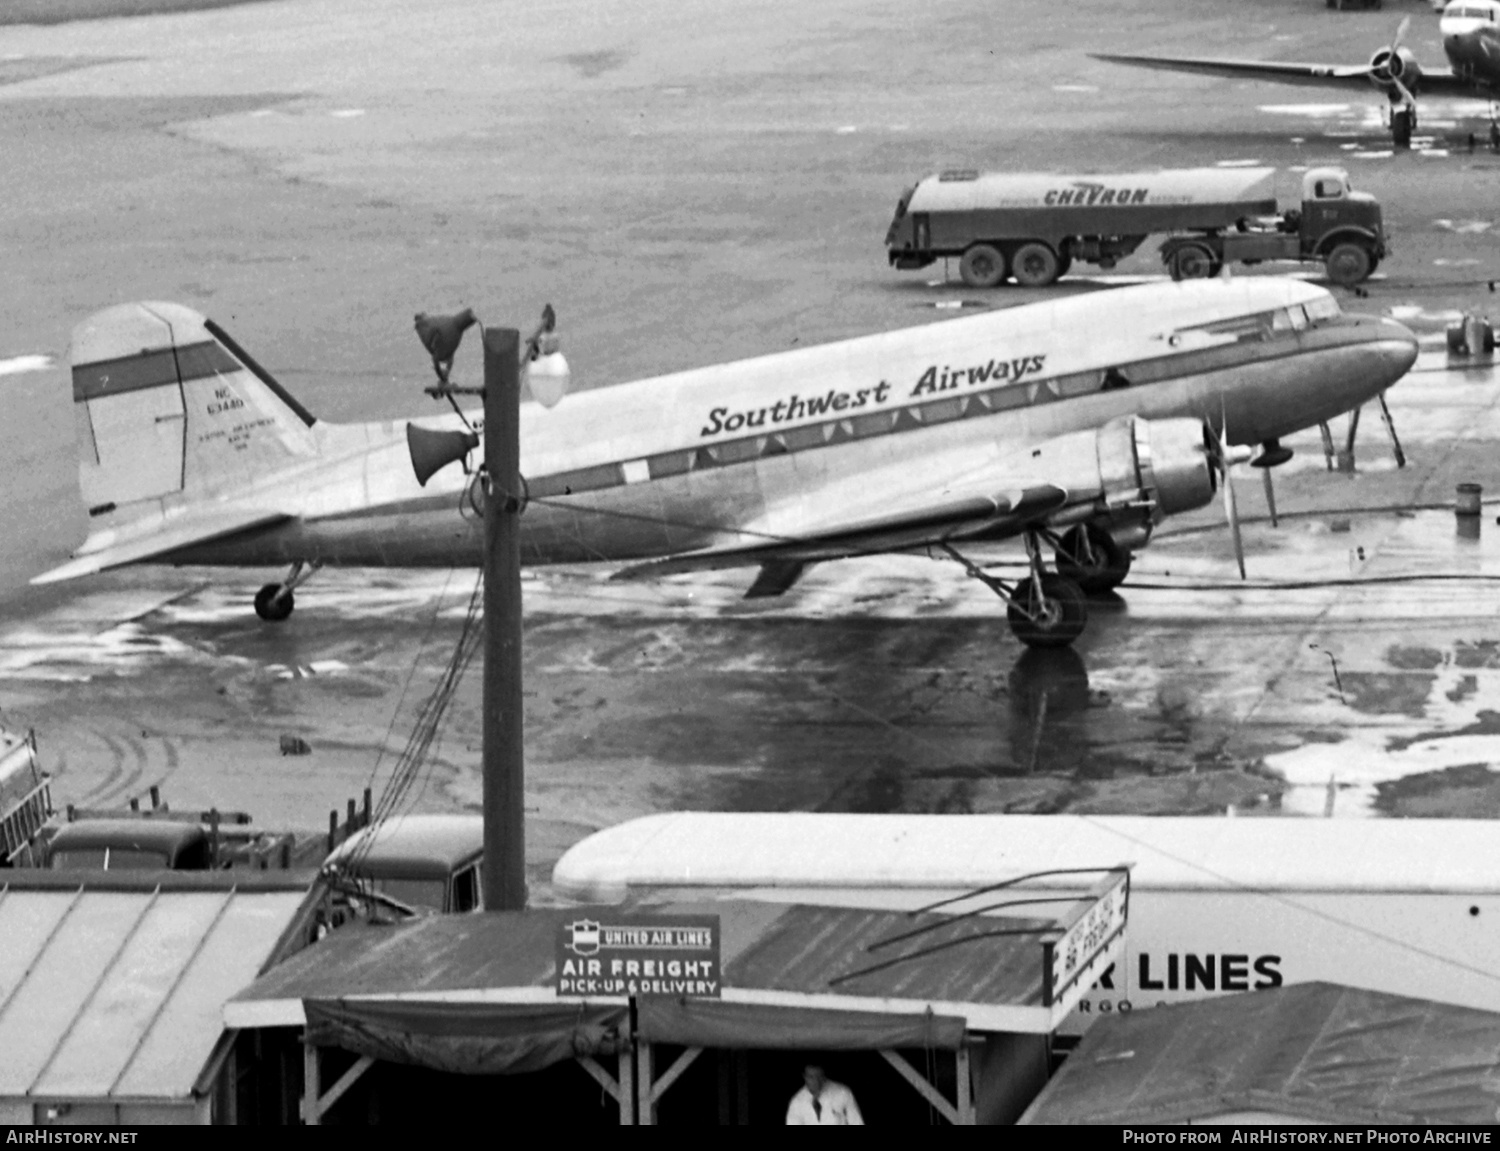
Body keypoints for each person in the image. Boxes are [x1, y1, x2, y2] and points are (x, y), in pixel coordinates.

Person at [786, 1064, 863, 1125]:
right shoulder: (797, 1102)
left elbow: (856, 1121)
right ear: (804, 1077)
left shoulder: (842, 1093)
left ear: (824, 1076)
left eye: (819, 1076)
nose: (816, 1081)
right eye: (811, 1077)